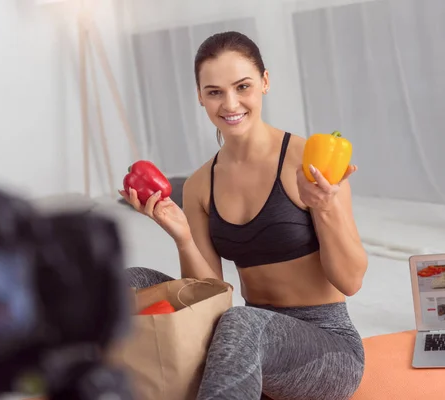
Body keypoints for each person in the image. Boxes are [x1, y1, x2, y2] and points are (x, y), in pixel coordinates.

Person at [120, 31, 367, 400]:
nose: (230, 103)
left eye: (243, 86)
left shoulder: (310, 159)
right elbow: (208, 300)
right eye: (215, 91)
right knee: (131, 280)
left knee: (241, 321)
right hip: (247, 342)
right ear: (200, 96)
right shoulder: (201, 184)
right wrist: (182, 236)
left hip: (327, 350)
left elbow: (350, 281)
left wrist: (325, 206)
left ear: (265, 83)